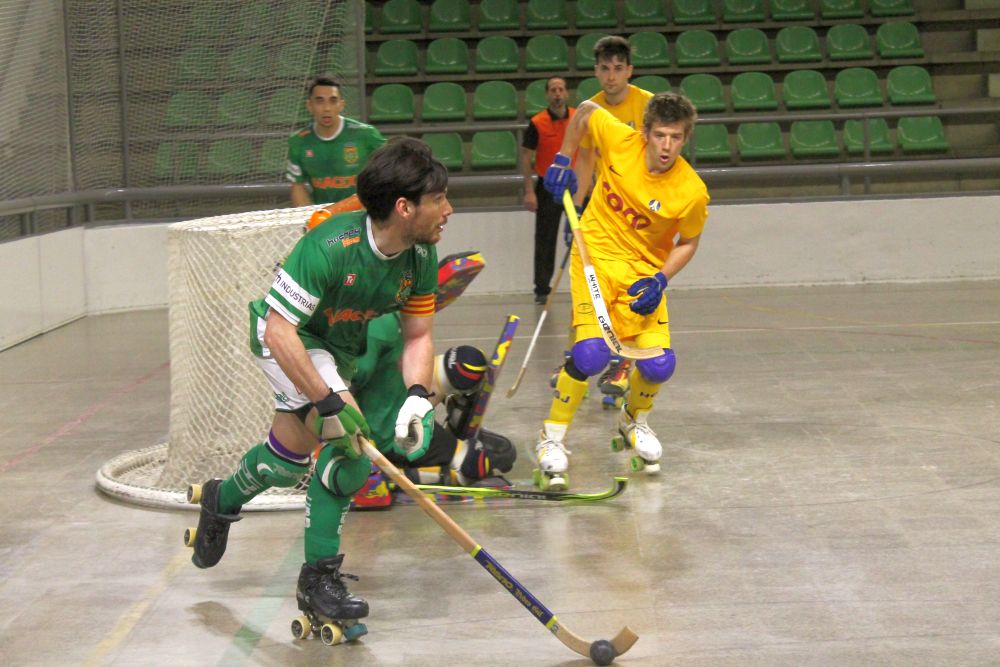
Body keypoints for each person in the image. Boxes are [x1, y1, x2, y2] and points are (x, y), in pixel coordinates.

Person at [189, 137, 450, 635]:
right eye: (438, 199)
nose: (447, 210)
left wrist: (418, 396)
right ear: (403, 207)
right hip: (288, 338)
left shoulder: (418, 260)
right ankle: (319, 579)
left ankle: (221, 499)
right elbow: (278, 329)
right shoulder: (330, 244)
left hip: (335, 349)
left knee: (286, 464)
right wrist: (329, 400)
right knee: (351, 447)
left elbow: (419, 336)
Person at [534, 92, 709, 490]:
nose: (666, 146)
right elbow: (585, 113)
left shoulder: (691, 191)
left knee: (659, 364)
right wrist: (564, 157)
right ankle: (551, 436)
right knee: (590, 354)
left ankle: (633, 421)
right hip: (593, 257)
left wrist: (661, 278)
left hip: (642, 275)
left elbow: (688, 242)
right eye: (660, 135)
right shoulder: (619, 140)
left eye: (676, 138)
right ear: (644, 132)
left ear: (685, 139)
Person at [556, 37, 657, 401]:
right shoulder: (590, 109)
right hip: (604, 212)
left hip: (639, 216)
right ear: (596, 71)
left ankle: (623, 364)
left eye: (618, 68)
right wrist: (576, 211)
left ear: (629, 70)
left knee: (629, 290)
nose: (611, 76)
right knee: (587, 285)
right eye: (604, 68)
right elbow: (585, 162)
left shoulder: (647, 105)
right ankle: (576, 355)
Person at [286, 75, 386, 207]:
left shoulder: (366, 135)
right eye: (319, 101)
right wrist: (311, 221)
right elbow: (297, 186)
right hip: (323, 217)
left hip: (360, 215)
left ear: (342, 105)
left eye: (333, 101)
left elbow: (391, 172)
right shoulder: (298, 142)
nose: (327, 108)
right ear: (309, 106)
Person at [520, 76, 575, 305]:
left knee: (585, 236)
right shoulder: (537, 122)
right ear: (547, 95)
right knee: (545, 239)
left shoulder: (577, 118)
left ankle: (593, 284)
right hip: (548, 186)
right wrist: (529, 191)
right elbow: (526, 156)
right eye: (553, 90)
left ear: (567, 93)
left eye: (561, 89)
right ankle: (542, 288)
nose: (557, 94)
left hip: (575, 184)